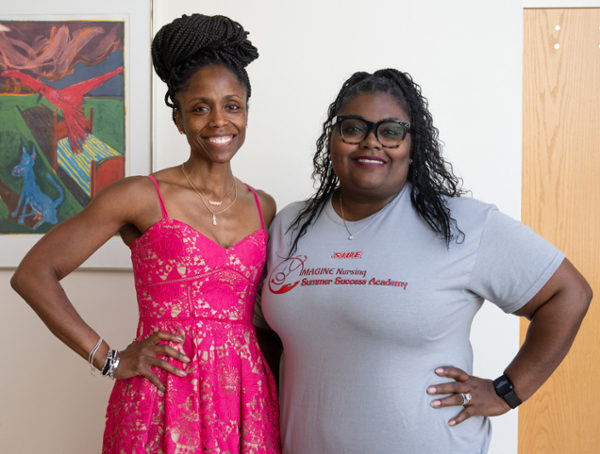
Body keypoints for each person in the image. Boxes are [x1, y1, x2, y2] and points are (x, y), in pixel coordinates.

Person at [254, 69, 592, 453]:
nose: (371, 142)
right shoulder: (290, 224)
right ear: (332, 138)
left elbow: (568, 294)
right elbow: (266, 333)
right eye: (354, 128)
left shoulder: (461, 224)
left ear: (413, 145)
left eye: (391, 131)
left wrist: (507, 390)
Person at [11, 14, 281, 454]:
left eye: (232, 106)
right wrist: (109, 359)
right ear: (178, 119)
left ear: (247, 112)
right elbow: (33, 274)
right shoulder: (139, 196)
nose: (219, 121)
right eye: (200, 108)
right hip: (162, 396)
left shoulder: (263, 206)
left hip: (244, 400)